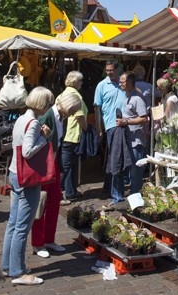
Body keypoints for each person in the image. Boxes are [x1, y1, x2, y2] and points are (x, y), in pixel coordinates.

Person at [1, 86, 54, 286]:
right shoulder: (32, 123)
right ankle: (17, 271)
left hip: (15, 173)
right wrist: (44, 138)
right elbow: (28, 151)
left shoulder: (21, 119)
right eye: (48, 103)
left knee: (13, 223)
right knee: (22, 225)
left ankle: (8, 265)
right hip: (27, 179)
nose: (49, 107)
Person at [32, 92, 82, 258]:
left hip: (53, 162)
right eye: (72, 110)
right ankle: (38, 243)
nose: (72, 114)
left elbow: (58, 142)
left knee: (54, 199)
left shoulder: (62, 118)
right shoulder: (47, 115)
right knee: (41, 201)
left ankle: (49, 239)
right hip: (43, 163)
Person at [94, 60, 127, 202]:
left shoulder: (124, 84)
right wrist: (98, 127)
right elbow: (97, 108)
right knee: (113, 158)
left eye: (111, 70)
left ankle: (110, 187)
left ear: (117, 69)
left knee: (119, 158)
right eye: (107, 70)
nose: (109, 73)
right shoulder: (101, 86)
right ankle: (110, 188)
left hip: (126, 125)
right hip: (110, 126)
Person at [115, 71, 148, 196]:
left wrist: (126, 121)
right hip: (128, 138)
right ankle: (134, 194)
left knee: (136, 169)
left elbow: (144, 118)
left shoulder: (137, 98)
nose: (120, 84)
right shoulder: (127, 96)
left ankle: (136, 195)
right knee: (131, 168)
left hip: (136, 140)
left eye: (122, 82)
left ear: (129, 82)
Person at [59, 71, 88, 206]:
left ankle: (68, 189)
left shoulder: (62, 94)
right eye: (81, 80)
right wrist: (86, 128)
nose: (82, 83)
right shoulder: (76, 96)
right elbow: (80, 116)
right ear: (75, 82)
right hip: (72, 133)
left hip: (64, 133)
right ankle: (68, 191)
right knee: (69, 165)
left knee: (67, 163)